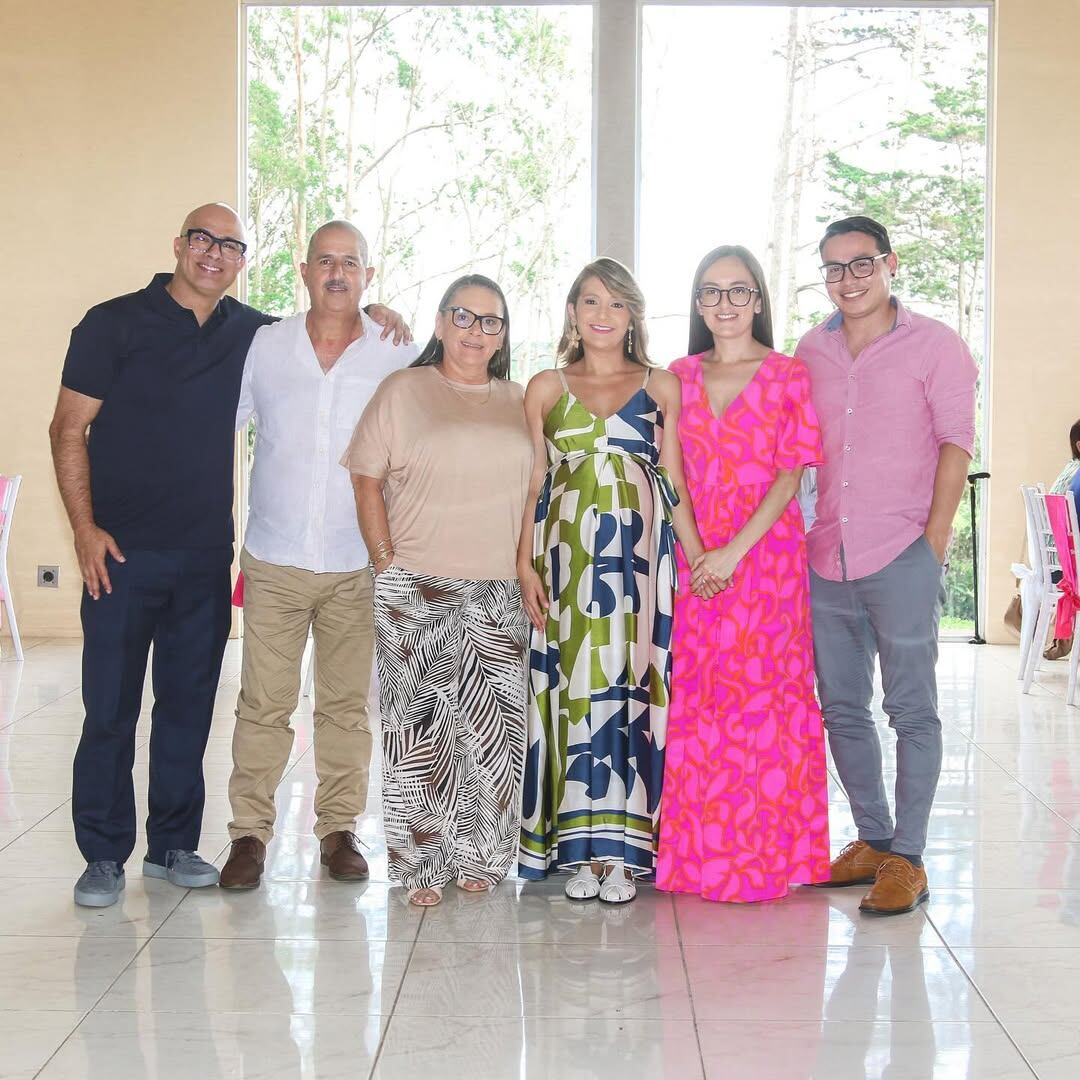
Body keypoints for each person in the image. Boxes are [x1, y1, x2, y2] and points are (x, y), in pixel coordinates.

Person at [49, 203, 408, 908]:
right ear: (179, 245)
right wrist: (84, 530)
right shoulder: (140, 327)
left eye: (230, 245)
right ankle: (130, 851)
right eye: (203, 240)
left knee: (196, 708)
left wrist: (383, 310)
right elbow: (68, 428)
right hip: (155, 553)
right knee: (121, 710)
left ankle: (186, 844)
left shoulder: (307, 340)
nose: (214, 254)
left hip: (245, 558)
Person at [218, 221, 417, 890]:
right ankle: (248, 834)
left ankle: (338, 830)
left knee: (343, 707)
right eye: (325, 261)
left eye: (350, 263)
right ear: (303, 272)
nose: (337, 273)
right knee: (263, 703)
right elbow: (222, 428)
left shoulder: (395, 351)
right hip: (275, 556)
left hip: (358, 559)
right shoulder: (265, 347)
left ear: (368, 276)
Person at [799, 216, 977, 916]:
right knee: (841, 708)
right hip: (825, 553)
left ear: (890, 264)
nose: (849, 279)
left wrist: (932, 543)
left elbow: (956, 443)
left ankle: (909, 856)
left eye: (861, 264)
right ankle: (871, 839)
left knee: (911, 709)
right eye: (835, 268)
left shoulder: (937, 346)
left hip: (903, 551)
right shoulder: (810, 349)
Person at [344, 274, 532, 908]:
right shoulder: (405, 390)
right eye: (465, 316)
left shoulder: (520, 400)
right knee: (418, 735)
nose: (476, 331)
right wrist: (385, 562)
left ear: (504, 334)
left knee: (493, 735)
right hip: (415, 585)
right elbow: (366, 479)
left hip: (501, 590)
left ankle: (482, 853)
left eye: (491, 321)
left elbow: (539, 495)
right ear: (441, 322)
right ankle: (420, 862)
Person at [517, 258, 699, 904]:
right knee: (573, 689)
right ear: (572, 312)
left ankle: (624, 854)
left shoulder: (662, 386)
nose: (601, 314)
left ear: (633, 316)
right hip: (565, 564)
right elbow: (536, 482)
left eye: (616, 304)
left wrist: (699, 554)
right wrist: (523, 563)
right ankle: (582, 854)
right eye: (589, 301)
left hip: (638, 564)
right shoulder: (543, 388)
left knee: (630, 688)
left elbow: (672, 480)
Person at [655, 244, 831, 903]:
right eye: (711, 292)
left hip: (767, 564)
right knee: (706, 703)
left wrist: (730, 554)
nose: (724, 304)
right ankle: (701, 861)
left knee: (766, 704)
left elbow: (791, 475)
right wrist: (697, 549)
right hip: (696, 560)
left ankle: (768, 859)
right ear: (698, 304)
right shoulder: (676, 375)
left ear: (758, 299)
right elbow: (669, 473)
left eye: (737, 290)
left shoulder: (788, 374)